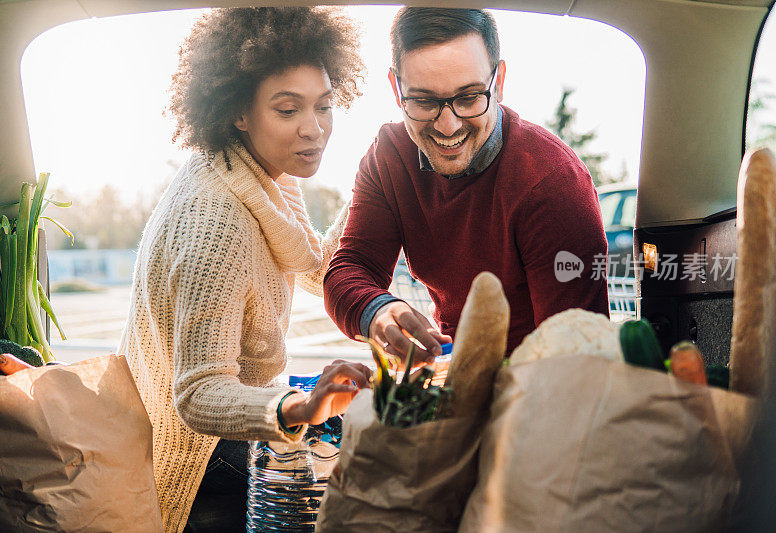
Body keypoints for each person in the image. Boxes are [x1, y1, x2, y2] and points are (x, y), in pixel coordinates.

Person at [118, 8, 369, 533]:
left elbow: (309, 265)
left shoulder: (259, 171)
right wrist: (304, 406)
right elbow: (199, 396)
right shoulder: (216, 222)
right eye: (288, 109)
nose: (314, 128)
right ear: (238, 110)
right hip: (201, 463)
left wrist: (376, 184)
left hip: (235, 434)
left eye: (324, 106)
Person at [324, 7, 609, 363]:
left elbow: (576, 357)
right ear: (397, 91)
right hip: (451, 374)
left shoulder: (551, 183)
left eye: (469, 97)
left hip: (534, 387)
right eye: (424, 101)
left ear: (499, 82)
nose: (447, 126)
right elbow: (350, 268)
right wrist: (378, 310)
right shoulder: (389, 157)